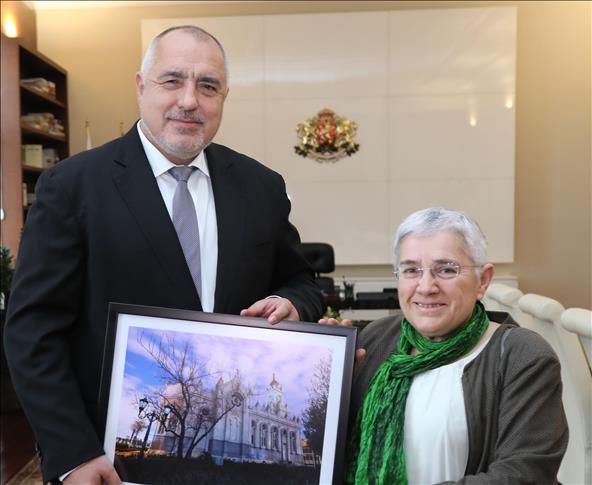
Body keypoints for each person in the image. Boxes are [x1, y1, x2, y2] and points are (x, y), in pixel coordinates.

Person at [4, 25, 324, 484]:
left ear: (223, 97)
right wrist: (73, 453)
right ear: (140, 86)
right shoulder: (73, 187)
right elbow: (32, 333)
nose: (190, 100)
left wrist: (293, 302)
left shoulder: (262, 187)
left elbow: (301, 282)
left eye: (208, 85)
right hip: (108, 463)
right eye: (172, 80)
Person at [323, 207, 568, 485]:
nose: (426, 286)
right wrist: (328, 384)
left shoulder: (522, 356)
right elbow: (321, 448)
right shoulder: (374, 340)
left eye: (447, 269)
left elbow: (525, 475)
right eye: (411, 270)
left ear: (483, 280)